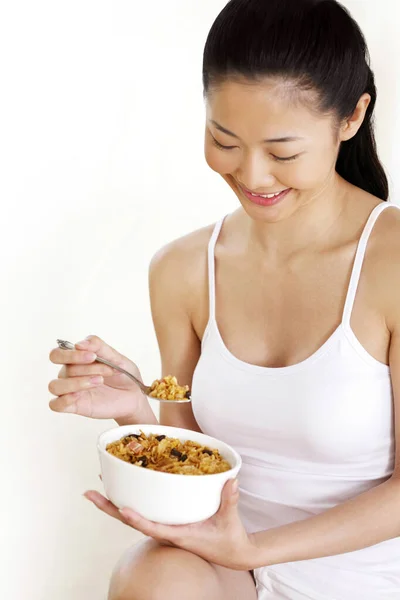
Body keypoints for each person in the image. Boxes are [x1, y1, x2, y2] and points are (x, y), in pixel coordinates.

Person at [48, 0, 400, 598]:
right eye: (224, 140)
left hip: (364, 576)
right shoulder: (182, 269)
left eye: (283, 152)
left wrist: (255, 548)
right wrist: (137, 411)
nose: (254, 176)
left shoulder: (390, 263)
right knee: (152, 578)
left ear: (351, 118)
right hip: (228, 568)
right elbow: (192, 454)